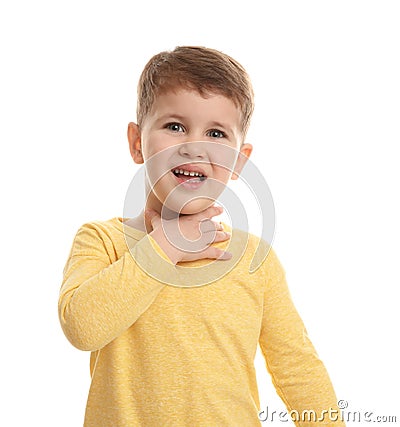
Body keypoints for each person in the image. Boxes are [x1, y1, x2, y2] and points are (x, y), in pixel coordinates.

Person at [59, 46, 345, 426]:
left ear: (239, 161)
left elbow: (298, 370)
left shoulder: (253, 259)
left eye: (215, 133)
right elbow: (82, 327)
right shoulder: (102, 241)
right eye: (174, 126)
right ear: (136, 143)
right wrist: (165, 246)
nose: (193, 146)